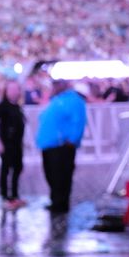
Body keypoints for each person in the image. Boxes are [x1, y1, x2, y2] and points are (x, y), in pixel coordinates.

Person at [36, 79, 87, 214]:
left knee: (61, 176)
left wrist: (72, 140)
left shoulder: (74, 100)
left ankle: (61, 203)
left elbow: (79, 121)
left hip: (62, 146)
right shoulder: (57, 100)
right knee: (51, 174)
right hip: (50, 145)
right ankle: (56, 201)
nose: (54, 87)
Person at [0, 80, 26, 210]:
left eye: (15, 89)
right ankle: (5, 197)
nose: (13, 92)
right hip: (6, 144)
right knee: (6, 170)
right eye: (10, 89)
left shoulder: (17, 106)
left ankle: (15, 196)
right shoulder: (2, 106)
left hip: (17, 144)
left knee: (17, 169)